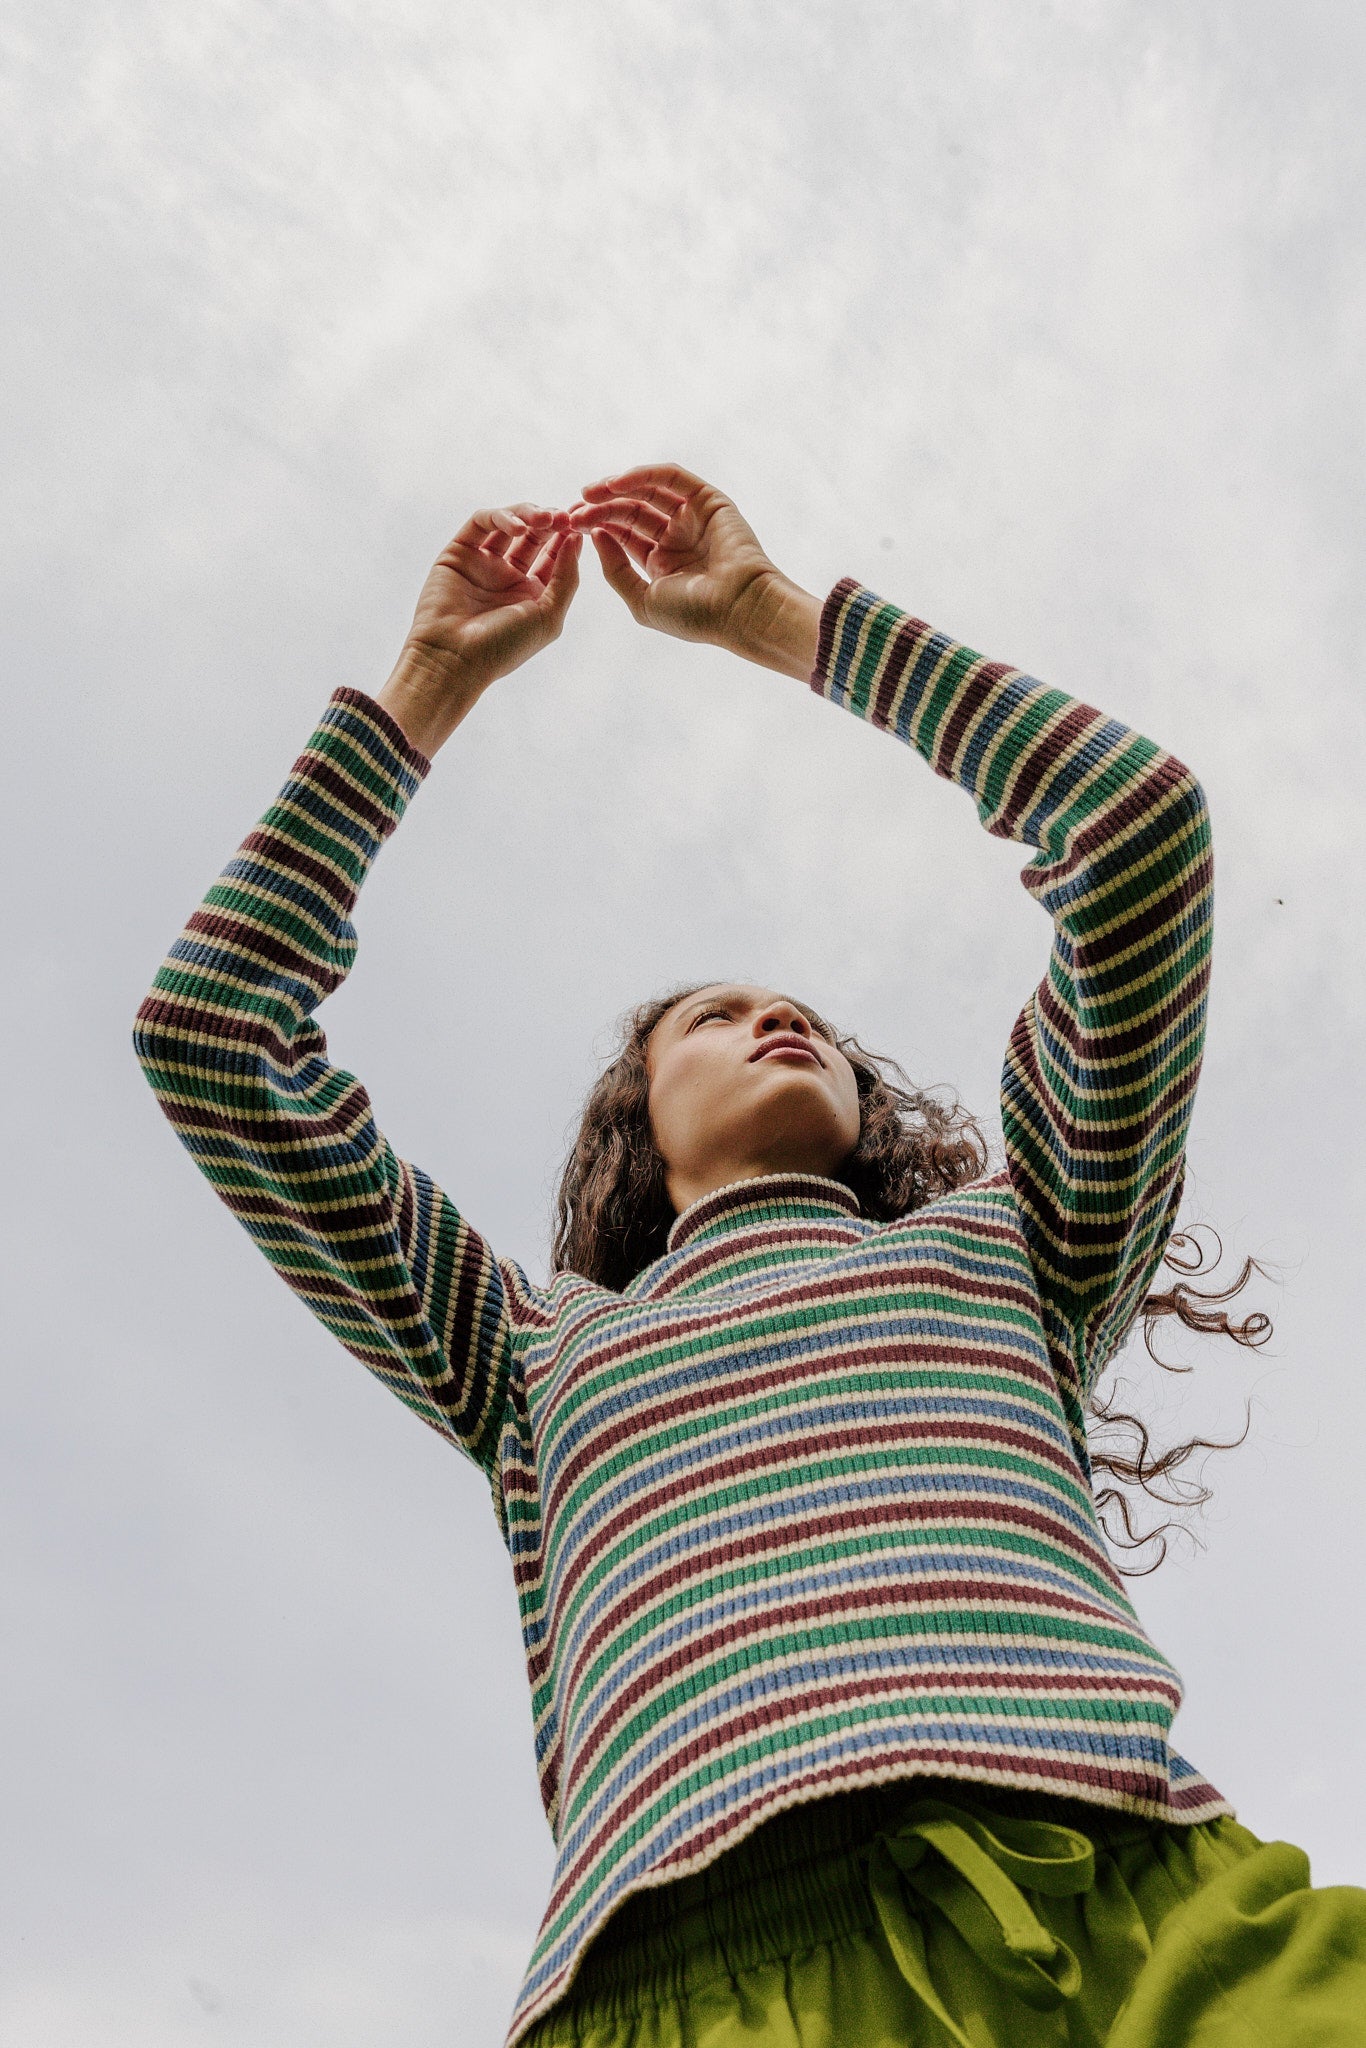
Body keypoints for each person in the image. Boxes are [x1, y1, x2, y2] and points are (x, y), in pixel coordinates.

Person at [134, 464, 1366, 2046]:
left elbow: (1129, 836)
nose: (774, 1017)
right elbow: (213, 1036)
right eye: (707, 1018)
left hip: (1134, 1905)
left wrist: (787, 625)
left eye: (805, 1018)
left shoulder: (1021, 1245)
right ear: (633, 1126)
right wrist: (427, 686)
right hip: (691, 1980)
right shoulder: (525, 1356)